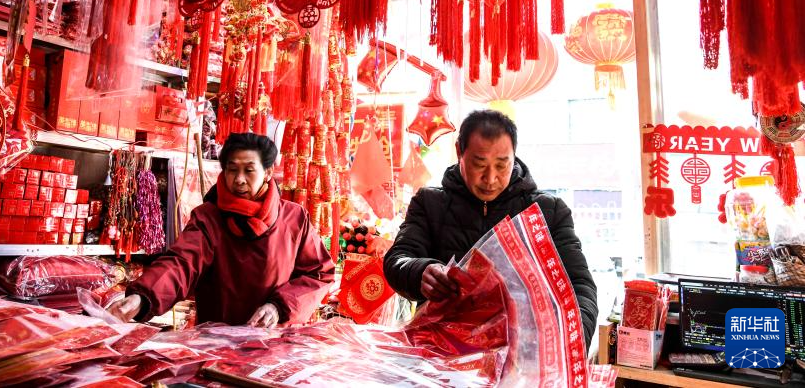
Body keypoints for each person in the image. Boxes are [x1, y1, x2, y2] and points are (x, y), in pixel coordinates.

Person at [383, 109, 599, 342]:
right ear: (459, 152)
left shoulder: (548, 212)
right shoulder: (429, 203)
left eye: (502, 165)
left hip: (519, 354)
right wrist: (420, 272)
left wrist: (573, 342)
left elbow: (579, 286)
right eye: (479, 164)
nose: (490, 178)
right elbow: (398, 259)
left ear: (514, 156)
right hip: (441, 350)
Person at [107, 132, 335, 327]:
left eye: (249, 170)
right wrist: (143, 297)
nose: (239, 179)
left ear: (267, 172)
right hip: (217, 341)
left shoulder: (294, 218)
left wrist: (279, 307)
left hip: (274, 341)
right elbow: (182, 263)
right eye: (232, 170)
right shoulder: (208, 217)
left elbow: (318, 273)